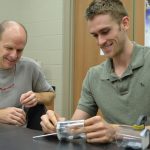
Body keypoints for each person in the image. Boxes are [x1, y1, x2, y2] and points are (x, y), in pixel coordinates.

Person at [40, 0, 150, 143]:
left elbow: (115, 133)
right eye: (95, 35)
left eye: (105, 32)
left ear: (125, 23)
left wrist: (117, 132)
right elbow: (76, 126)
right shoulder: (94, 76)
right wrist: (57, 125)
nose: (100, 41)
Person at [0, 20, 55, 126]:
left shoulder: (30, 67)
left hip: (20, 135)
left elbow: (51, 96)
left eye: (19, 50)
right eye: (9, 48)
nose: (14, 55)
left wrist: (36, 96)